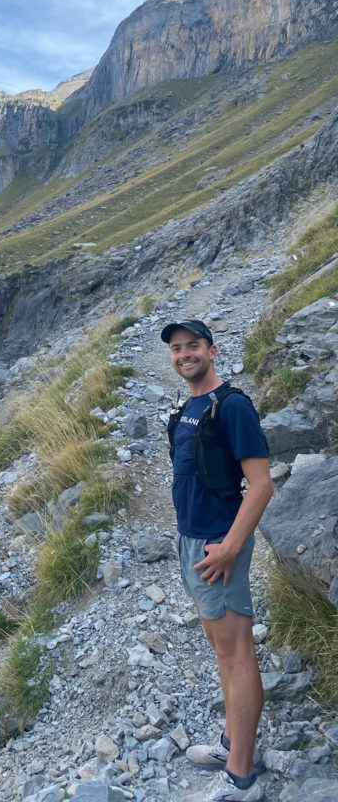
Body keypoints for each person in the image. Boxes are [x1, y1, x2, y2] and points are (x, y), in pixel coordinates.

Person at [161, 319, 273, 802]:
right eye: (177, 349)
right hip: (193, 541)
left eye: (193, 347)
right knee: (220, 648)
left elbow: (262, 484)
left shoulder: (233, 407)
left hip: (216, 546)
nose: (185, 354)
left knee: (236, 653)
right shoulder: (188, 406)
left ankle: (240, 774)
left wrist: (228, 546)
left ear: (211, 350)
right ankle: (232, 742)